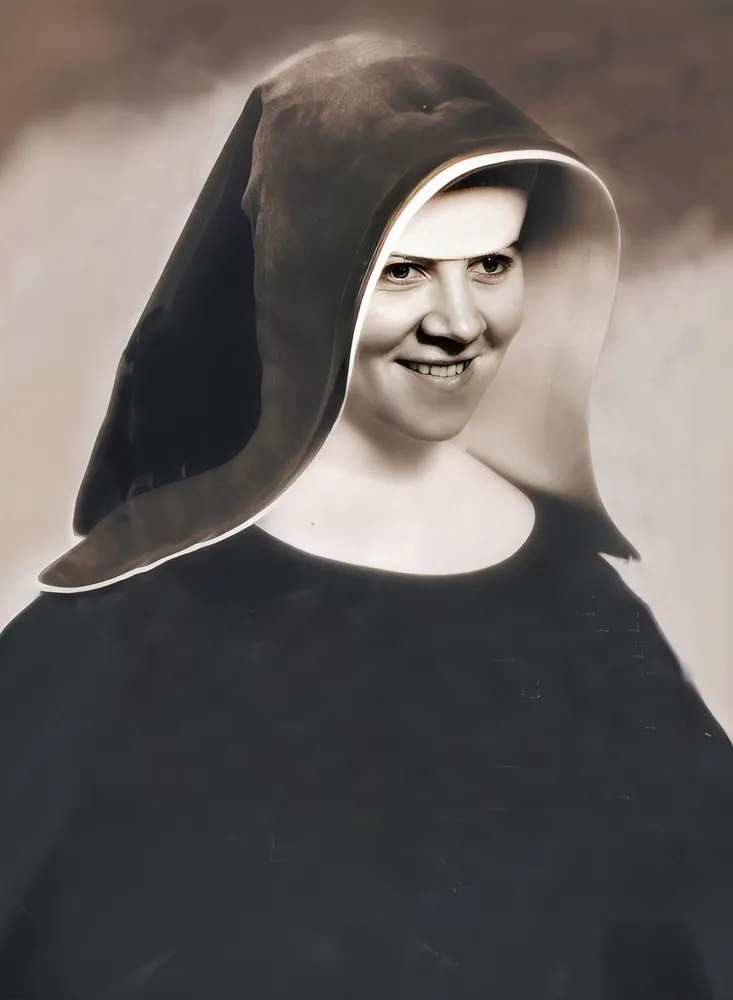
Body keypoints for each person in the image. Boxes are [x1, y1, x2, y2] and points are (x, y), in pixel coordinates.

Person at [1, 32, 732, 999]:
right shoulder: (132, 608)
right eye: (403, 272)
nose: (459, 321)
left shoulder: (578, 597)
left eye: (491, 263)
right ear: (308, 286)